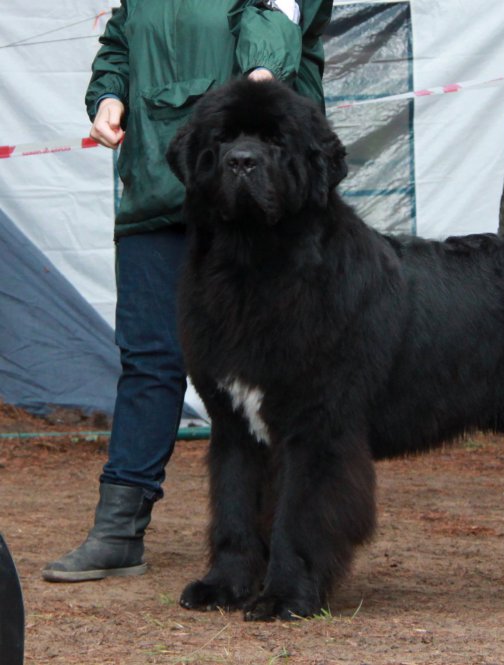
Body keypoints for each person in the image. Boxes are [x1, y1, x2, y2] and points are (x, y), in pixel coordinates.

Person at [43, 0, 333, 582]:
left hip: (260, 201)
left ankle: (286, 545)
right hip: (156, 186)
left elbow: (278, 25)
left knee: (284, 371)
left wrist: (258, 82)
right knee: (148, 357)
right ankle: (119, 529)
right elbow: (121, 42)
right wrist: (108, 98)